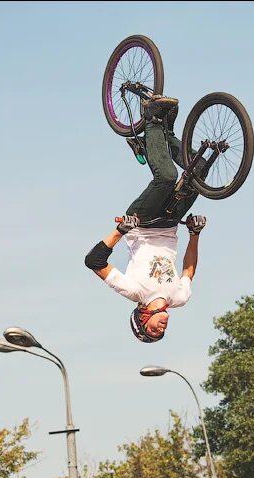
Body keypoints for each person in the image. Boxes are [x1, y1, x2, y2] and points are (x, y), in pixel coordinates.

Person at [84, 94, 208, 344]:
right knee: (200, 169)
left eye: (153, 330)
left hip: (142, 223)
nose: (161, 328)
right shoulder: (179, 298)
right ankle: (166, 135)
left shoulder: (134, 292)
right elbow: (188, 270)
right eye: (161, 332)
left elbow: (94, 261)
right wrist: (194, 235)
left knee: (166, 177)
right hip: (170, 222)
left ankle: (151, 118)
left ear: (142, 317)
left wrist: (119, 231)